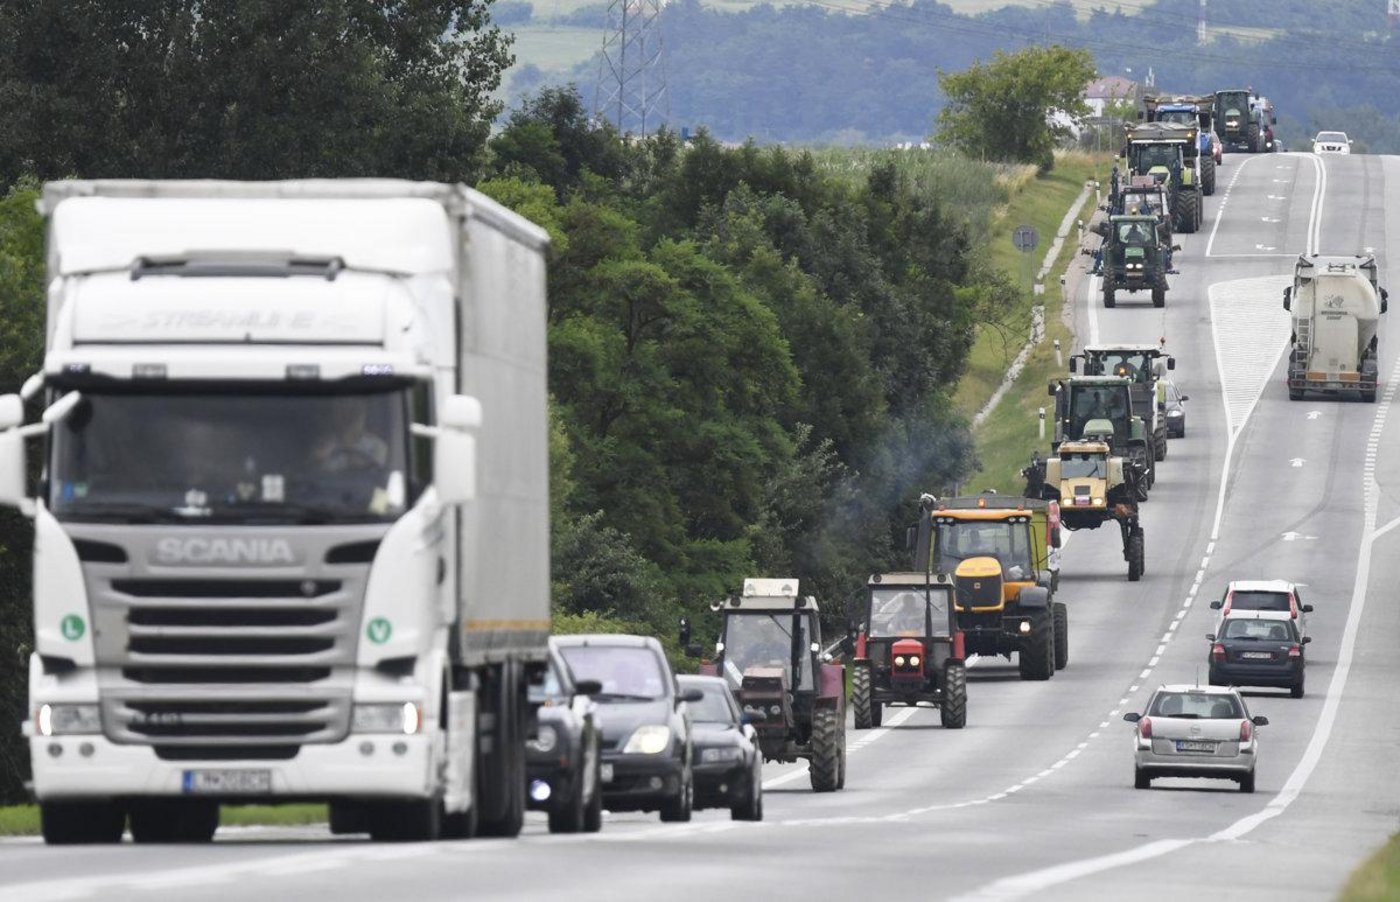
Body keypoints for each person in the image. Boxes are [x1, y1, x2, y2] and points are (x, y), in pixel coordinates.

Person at [313, 397, 388, 473]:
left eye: (354, 413)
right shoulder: (324, 444)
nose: (348, 419)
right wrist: (319, 460)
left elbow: (377, 474)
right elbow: (312, 475)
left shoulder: (376, 446)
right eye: (342, 413)